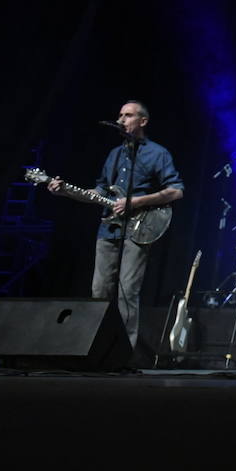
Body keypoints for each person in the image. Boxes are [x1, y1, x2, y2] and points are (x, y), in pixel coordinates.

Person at [48, 101, 183, 351]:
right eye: (120, 115)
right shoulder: (114, 154)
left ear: (142, 121)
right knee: (99, 289)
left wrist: (137, 201)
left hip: (139, 228)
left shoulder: (157, 153)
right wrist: (65, 192)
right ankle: (95, 347)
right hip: (108, 228)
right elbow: (99, 191)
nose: (121, 119)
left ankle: (124, 351)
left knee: (127, 291)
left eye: (128, 115)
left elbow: (176, 191)